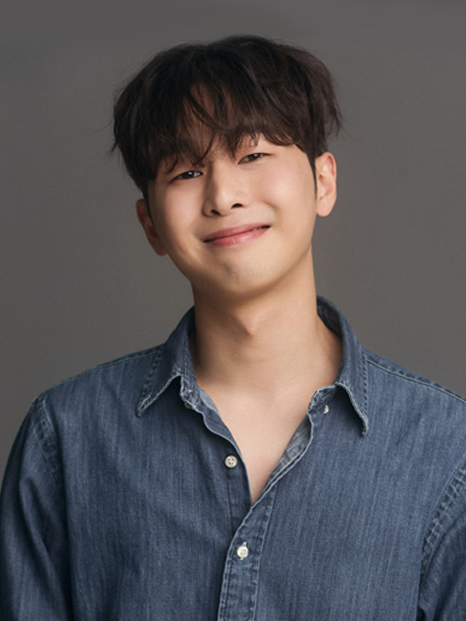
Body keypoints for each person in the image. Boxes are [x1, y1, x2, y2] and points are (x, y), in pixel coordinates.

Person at [1, 35, 465, 621]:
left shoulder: (446, 449)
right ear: (151, 225)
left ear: (323, 182)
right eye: (187, 170)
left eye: (252, 156)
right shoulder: (67, 438)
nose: (223, 196)